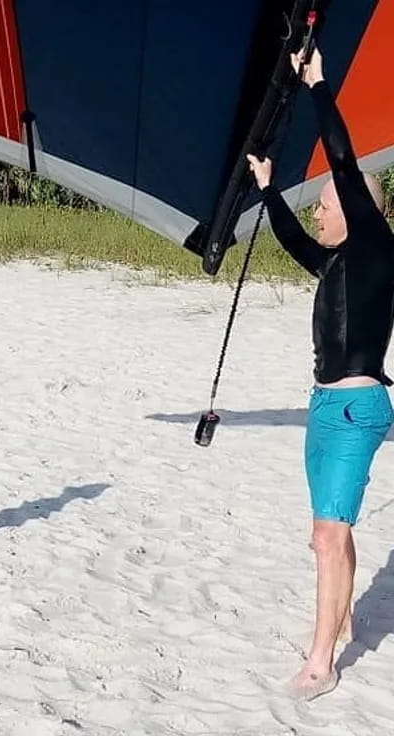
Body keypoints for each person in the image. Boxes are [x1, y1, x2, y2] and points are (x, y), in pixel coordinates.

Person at [247, 46, 394, 700]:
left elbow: (342, 155)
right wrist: (268, 188)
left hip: (359, 409)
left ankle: (320, 663)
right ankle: (342, 621)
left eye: (325, 204)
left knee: (325, 536)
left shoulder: (374, 245)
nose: (319, 212)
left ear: (358, 207)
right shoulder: (335, 261)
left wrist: (318, 86)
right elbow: (292, 240)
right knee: (333, 533)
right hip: (321, 408)